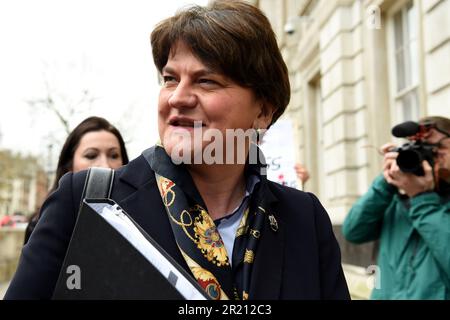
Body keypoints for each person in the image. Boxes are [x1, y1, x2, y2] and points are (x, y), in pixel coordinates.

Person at [5, 0, 349, 300]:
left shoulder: (305, 219)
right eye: (170, 79)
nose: (177, 97)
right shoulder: (82, 202)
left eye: (206, 81)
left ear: (263, 111)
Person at [343, 116, 450, 299]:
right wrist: (386, 182)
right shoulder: (397, 198)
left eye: (437, 149)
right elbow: (353, 231)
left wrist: (423, 200)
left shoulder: (419, 198)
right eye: (420, 150)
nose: (429, 157)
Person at [23, 116, 129, 244]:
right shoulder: (40, 224)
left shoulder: (137, 217)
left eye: (114, 155)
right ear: (69, 164)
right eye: (91, 155)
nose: (105, 165)